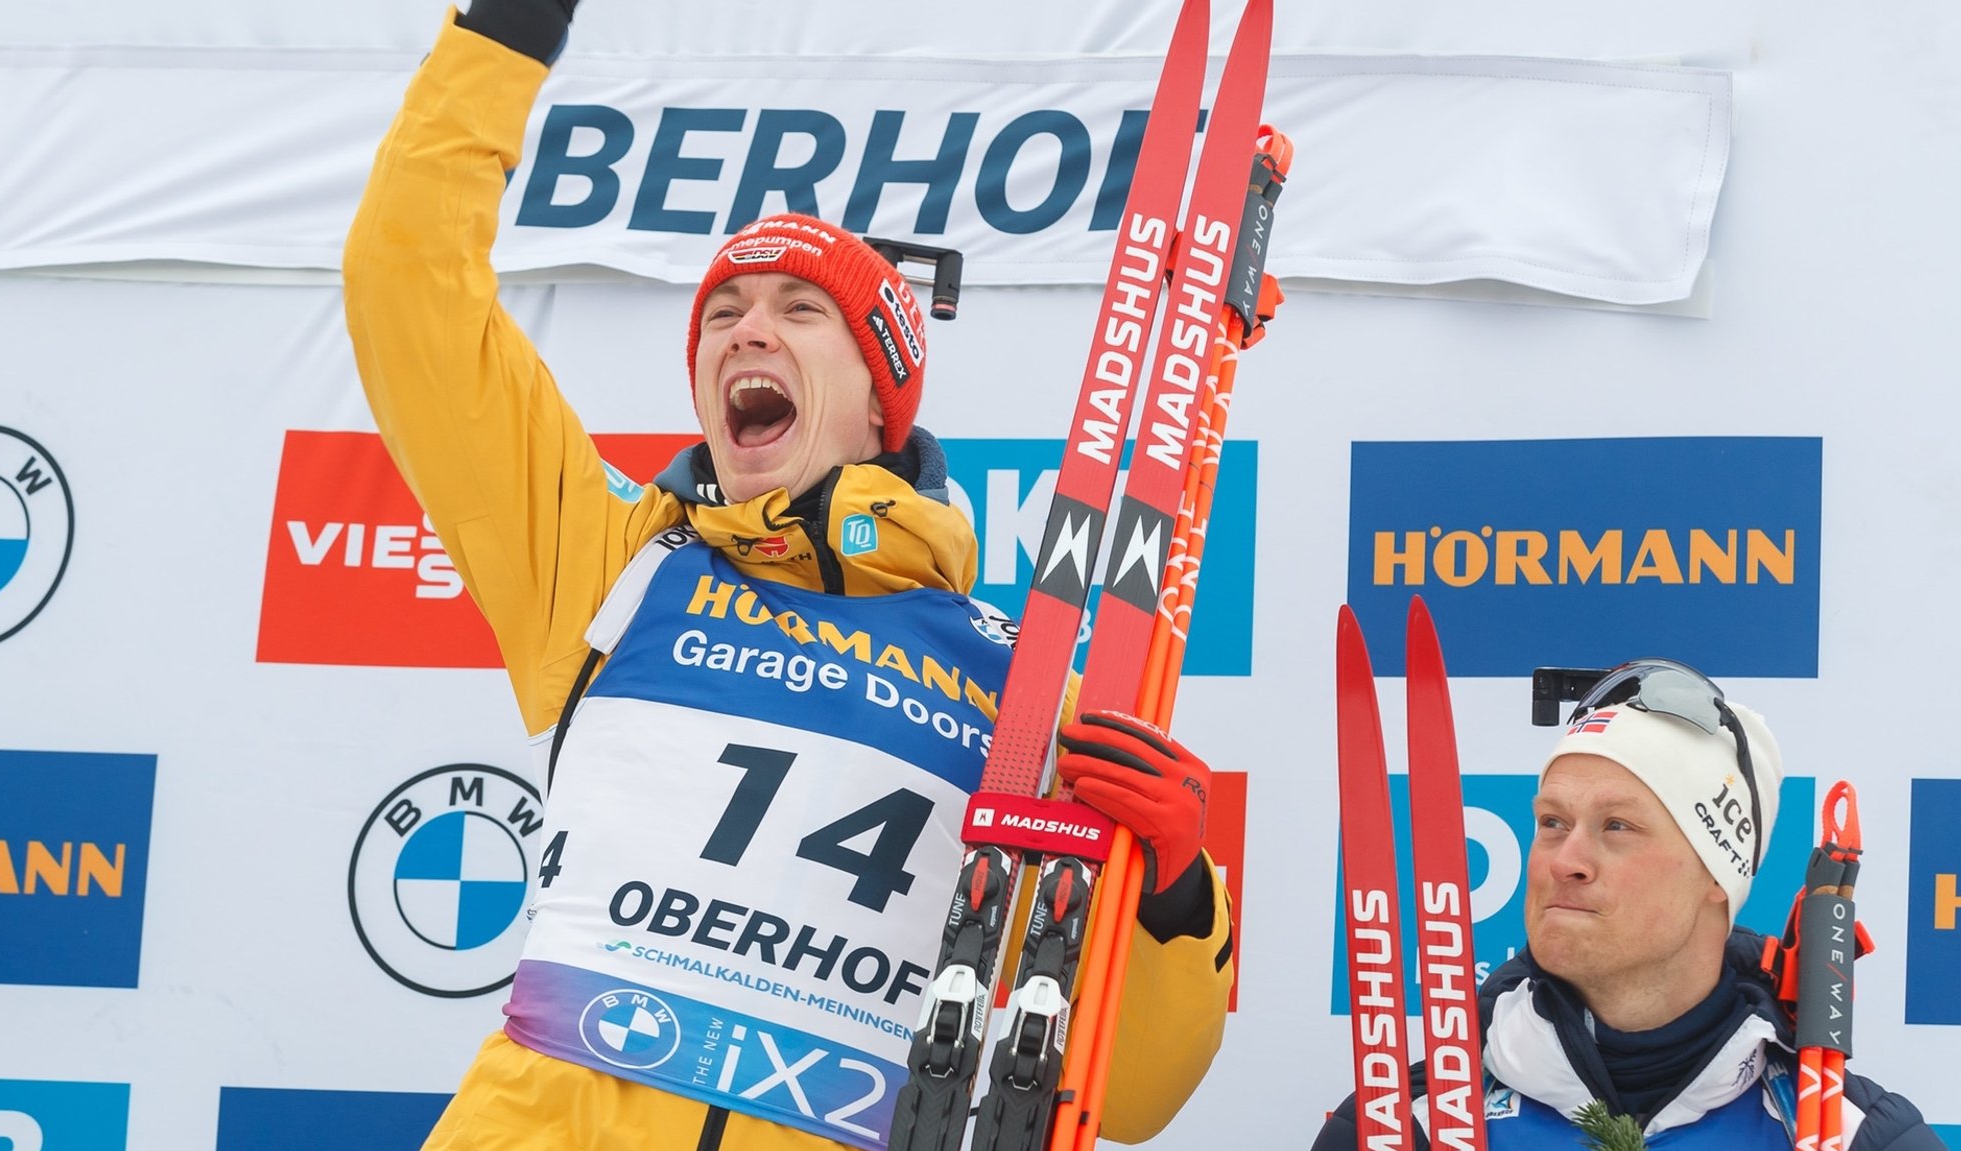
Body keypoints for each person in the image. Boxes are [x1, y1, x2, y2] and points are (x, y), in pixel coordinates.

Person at [341, 2, 1235, 1149]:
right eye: (720, 313)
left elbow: (1137, 1095)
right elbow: (403, 282)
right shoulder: (613, 558)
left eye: (797, 309)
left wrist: (1170, 888)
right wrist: (506, 30)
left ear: (878, 399)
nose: (743, 330)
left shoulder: (1015, 678)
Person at [1311, 661, 1940, 1149]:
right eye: (1553, 822)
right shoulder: (1404, 1125)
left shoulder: (1854, 1137)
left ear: (1715, 872)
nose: (1565, 860)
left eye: (1617, 826)